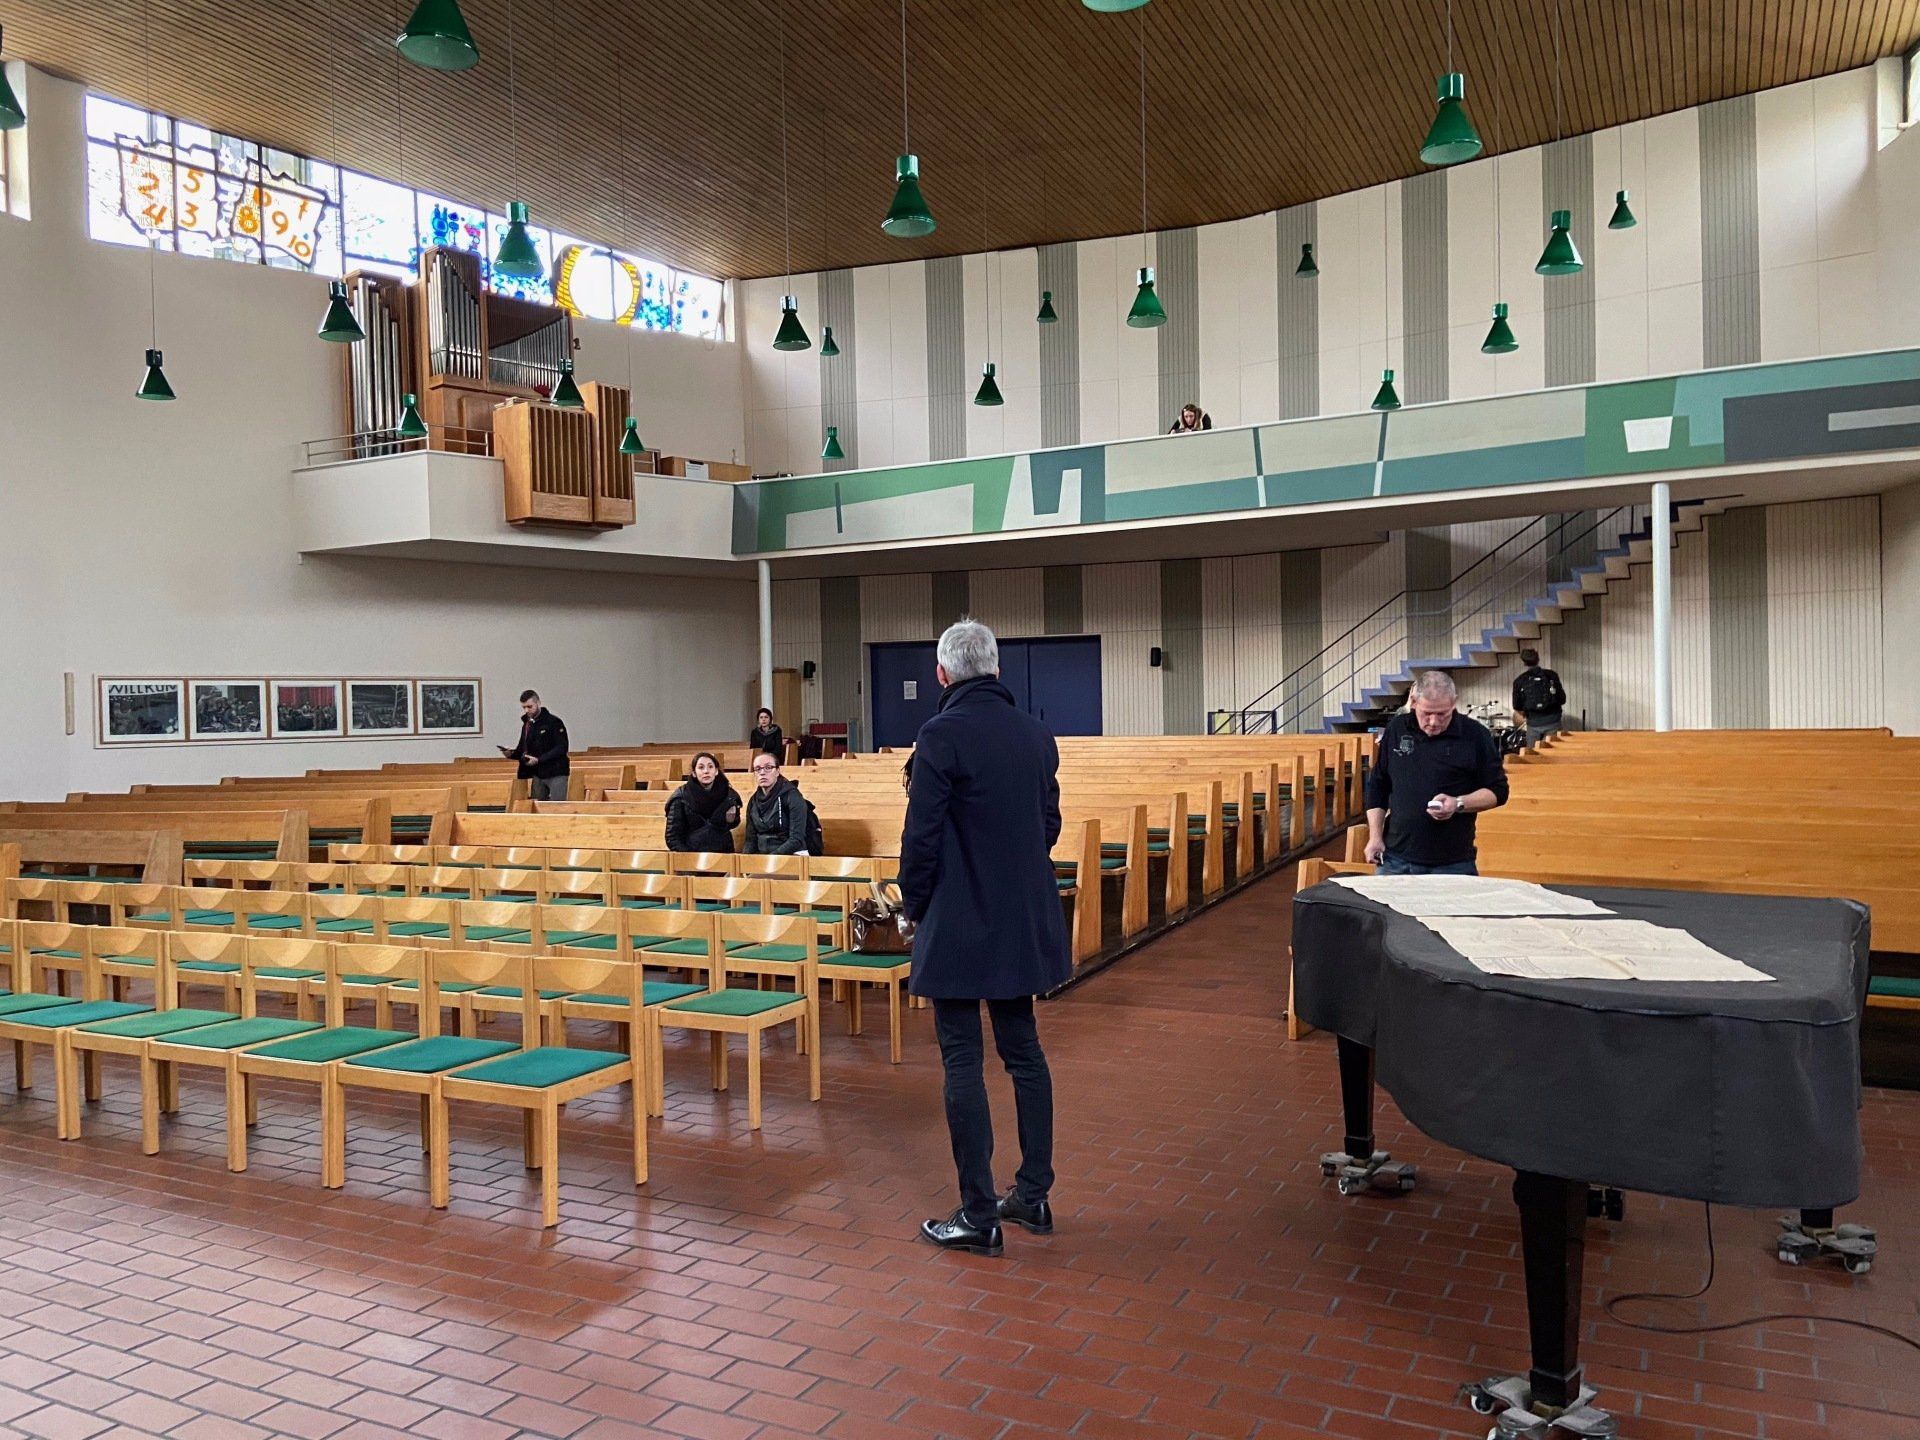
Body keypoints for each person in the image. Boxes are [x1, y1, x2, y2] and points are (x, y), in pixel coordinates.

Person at [900, 618, 1070, 1258]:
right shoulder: (1035, 733)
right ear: (996, 670)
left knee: (962, 1058)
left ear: (942, 675)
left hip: (960, 920)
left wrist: (915, 906)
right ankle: (1033, 1193)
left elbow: (921, 838)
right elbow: (1048, 822)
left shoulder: (940, 735)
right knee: (1023, 1050)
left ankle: (978, 1213)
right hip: (1021, 918)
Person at [1362, 670, 1509, 875]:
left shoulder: (1476, 735)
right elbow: (1379, 785)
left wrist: (1458, 803)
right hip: (1396, 859)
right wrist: (1375, 837)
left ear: (1454, 702)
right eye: (1426, 713)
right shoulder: (1397, 729)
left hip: (1453, 861)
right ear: (1413, 702)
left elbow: (1498, 791)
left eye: (1442, 714)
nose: (1433, 722)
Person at [665, 752, 743, 853]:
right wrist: (688, 857)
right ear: (694, 773)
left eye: (710, 767)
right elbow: (673, 837)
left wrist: (731, 820)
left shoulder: (729, 795)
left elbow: (733, 823)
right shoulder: (681, 797)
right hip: (691, 854)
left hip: (723, 853)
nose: (706, 771)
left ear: (716, 771)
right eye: (701, 767)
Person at [499, 689, 569, 802]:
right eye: (524, 707)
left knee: (557, 807)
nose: (527, 710)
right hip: (538, 773)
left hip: (556, 771)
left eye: (530, 706)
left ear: (538, 703)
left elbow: (562, 747)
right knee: (536, 806)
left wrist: (539, 759)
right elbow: (523, 748)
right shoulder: (527, 724)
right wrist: (510, 754)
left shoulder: (553, 722)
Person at [741, 753, 809, 854]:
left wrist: (771, 859)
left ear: (777, 771)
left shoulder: (792, 796)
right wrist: (745, 861)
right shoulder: (753, 801)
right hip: (763, 856)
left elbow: (796, 839)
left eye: (768, 767)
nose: (762, 772)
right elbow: (751, 839)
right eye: (758, 769)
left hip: (792, 855)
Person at [1511, 647, 1568, 749]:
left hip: (1533, 724)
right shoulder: (1552, 675)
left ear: (1524, 662)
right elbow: (1562, 699)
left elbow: (1517, 705)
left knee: (1532, 754)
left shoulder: (1519, 681)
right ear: (1538, 659)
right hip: (1553, 721)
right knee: (1553, 753)